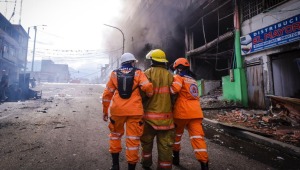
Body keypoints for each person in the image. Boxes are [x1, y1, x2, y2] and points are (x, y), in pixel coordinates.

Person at [102, 53, 153, 170]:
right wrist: (149, 94)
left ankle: (115, 165)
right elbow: (147, 87)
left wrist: (105, 111)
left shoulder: (114, 74)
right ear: (132, 62)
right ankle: (131, 167)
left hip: (117, 111)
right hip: (135, 112)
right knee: (133, 140)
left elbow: (107, 94)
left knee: (115, 136)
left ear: (122, 62)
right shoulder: (138, 73)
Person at [170, 58, 209, 169]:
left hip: (182, 113)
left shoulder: (179, 77)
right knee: (198, 138)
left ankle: (175, 158)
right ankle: (204, 164)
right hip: (196, 113)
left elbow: (174, 90)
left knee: (176, 136)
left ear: (179, 68)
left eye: (176, 69)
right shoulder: (193, 80)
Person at [140, 49, 175, 170]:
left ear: (152, 61)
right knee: (165, 146)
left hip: (149, 119)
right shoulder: (170, 75)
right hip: (166, 120)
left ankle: (146, 163)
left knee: (146, 143)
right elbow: (174, 96)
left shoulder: (147, 74)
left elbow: (142, 95)